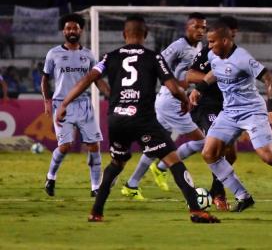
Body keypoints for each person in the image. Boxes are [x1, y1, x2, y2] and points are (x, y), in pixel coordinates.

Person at [55, 14, 219, 223]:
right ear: (146, 35)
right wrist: (183, 99)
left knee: (116, 162)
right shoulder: (153, 57)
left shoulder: (110, 56)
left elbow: (87, 79)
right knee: (173, 161)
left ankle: (96, 212)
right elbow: (171, 85)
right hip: (143, 119)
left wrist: (64, 104)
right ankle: (197, 211)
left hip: (116, 119)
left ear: (124, 34)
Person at [189, 22, 272, 212]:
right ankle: (243, 196)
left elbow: (270, 79)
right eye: (208, 42)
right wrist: (199, 89)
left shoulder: (242, 58)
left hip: (252, 111)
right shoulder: (213, 55)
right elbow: (215, 72)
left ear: (226, 41)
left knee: (270, 157)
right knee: (209, 153)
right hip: (228, 113)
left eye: (212, 42)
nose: (209, 46)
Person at [120, 13, 207, 199]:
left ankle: (131, 184)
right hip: (171, 100)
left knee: (155, 145)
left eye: (204, 28)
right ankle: (160, 167)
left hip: (174, 100)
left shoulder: (199, 47)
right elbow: (158, 63)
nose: (201, 31)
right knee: (202, 141)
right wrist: (176, 83)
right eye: (196, 27)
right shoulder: (178, 46)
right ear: (187, 28)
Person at [42, 13, 108, 197]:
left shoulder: (88, 55)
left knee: (94, 146)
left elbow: (97, 79)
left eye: (75, 28)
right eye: (68, 28)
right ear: (64, 31)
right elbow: (45, 79)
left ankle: (96, 187)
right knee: (65, 146)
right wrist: (47, 101)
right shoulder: (53, 53)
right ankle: (51, 177)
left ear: (81, 30)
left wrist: (110, 94)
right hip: (61, 104)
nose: (72, 31)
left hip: (84, 104)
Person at [186, 16, 239, 211]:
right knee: (218, 149)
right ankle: (219, 195)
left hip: (228, 107)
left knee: (231, 155)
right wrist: (212, 79)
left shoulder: (238, 55)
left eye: (232, 32)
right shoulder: (208, 52)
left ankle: (214, 191)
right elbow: (190, 75)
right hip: (207, 105)